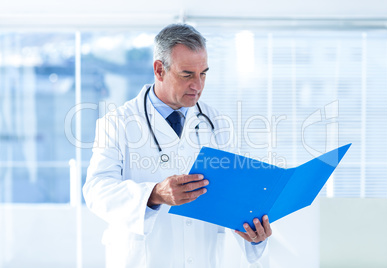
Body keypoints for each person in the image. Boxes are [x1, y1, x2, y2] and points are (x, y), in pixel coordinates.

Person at [83, 23, 272, 268]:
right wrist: (154, 194)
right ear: (159, 70)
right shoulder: (117, 123)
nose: (198, 85)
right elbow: (96, 191)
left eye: (203, 73)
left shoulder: (218, 124)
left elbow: (236, 194)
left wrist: (254, 235)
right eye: (187, 75)